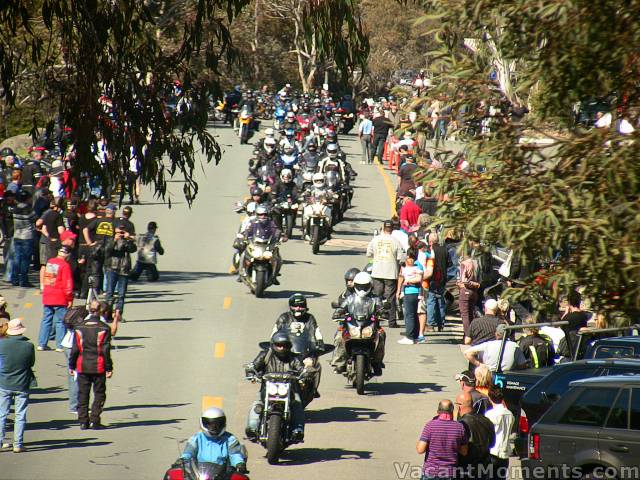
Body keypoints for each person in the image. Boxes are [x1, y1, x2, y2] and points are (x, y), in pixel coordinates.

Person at [245, 330, 306, 441]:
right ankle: (252, 428)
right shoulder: (265, 355)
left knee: (297, 405)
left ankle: (297, 429)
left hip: (289, 389)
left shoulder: (294, 358)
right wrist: (251, 371)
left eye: (285, 345)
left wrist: (306, 374)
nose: (282, 348)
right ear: (273, 345)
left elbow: (302, 369)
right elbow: (254, 365)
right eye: (279, 345)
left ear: (289, 346)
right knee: (257, 404)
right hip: (267, 389)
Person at [331, 272, 386, 375]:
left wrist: (383, 313)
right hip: (353, 325)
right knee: (339, 336)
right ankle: (339, 363)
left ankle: (377, 362)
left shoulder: (375, 298)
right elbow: (341, 308)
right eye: (360, 286)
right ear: (355, 285)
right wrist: (337, 313)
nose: (362, 289)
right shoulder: (350, 298)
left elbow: (381, 308)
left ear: (370, 285)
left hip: (369, 325)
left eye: (365, 286)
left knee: (381, 335)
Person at [68, 303, 113, 429]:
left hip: (82, 365)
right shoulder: (104, 328)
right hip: (98, 365)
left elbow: (75, 349)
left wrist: (71, 365)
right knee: (99, 393)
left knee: (83, 393)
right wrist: (109, 367)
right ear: (100, 311)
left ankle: (83, 421)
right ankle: (95, 419)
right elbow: (105, 350)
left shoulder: (79, 327)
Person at [272, 293, 324, 398]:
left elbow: (316, 331)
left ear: (305, 306)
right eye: (295, 305)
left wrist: (319, 342)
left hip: (304, 352)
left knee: (313, 365)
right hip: (287, 350)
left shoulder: (310, 318)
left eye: (301, 305)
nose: (298, 308)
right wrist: (272, 340)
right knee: (269, 357)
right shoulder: (284, 317)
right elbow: (275, 331)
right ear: (290, 306)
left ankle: (311, 388)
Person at [174, 407, 247, 473]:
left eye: (217, 424)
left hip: (223, 475)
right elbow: (188, 452)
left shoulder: (230, 439)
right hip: (198, 474)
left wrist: (239, 463)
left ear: (223, 423)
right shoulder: (196, 438)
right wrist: (182, 459)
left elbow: (235, 454)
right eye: (210, 424)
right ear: (203, 423)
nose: (214, 427)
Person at [0, 318, 36, 453]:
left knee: (2, 413)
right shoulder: (28, 346)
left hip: (4, 382)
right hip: (22, 383)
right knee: (20, 414)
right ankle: (18, 444)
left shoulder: (1, 345)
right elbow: (31, 363)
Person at [417, 399, 469, 480]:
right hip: (450, 473)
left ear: (438, 411)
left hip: (431, 472)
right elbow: (464, 452)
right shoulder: (459, 427)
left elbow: (420, 450)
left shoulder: (430, 425)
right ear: (452, 411)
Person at [366, 220, 404, 328]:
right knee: (390, 297)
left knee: (376, 296)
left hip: (377, 271)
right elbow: (401, 258)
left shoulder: (375, 239)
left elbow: (369, 253)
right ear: (392, 229)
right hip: (391, 272)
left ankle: (375, 320)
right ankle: (391, 321)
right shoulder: (396, 241)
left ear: (383, 227)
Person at [38, 246, 74, 351]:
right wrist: (70, 298)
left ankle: (41, 343)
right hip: (60, 297)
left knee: (46, 320)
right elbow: (68, 284)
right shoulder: (65, 266)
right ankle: (60, 345)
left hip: (48, 294)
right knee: (60, 321)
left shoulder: (50, 262)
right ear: (67, 255)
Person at [239, 204, 284, 284]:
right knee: (244, 254)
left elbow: (277, 231)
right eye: (260, 214)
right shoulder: (252, 222)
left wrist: (279, 237)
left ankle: (274, 275)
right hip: (255, 244)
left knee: (277, 257)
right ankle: (242, 272)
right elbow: (247, 230)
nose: (263, 216)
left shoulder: (271, 223)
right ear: (257, 214)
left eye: (264, 214)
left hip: (267, 245)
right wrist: (244, 236)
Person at [456, 391, 495, 479]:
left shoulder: (461, 425)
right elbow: (492, 443)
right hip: (484, 468)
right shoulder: (486, 421)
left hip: (466, 469)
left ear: (459, 406)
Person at [104, 222, 137, 322]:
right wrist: (115, 240)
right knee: (110, 293)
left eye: (123, 230)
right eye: (119, 230)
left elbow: (133, 249)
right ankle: (108, 314)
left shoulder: (126, 240)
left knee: (121, 294)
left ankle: (119, 314)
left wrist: (129, 240)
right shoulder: (109, 238)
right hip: (112, 268)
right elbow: (106, 251)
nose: (121, 232)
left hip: (124, 268)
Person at [484, 386, 514, 480]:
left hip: (493, 453)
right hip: (505, 454)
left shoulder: (490, 414)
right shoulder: (510, 414)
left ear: (490, 398)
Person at [36, 197, 65, 289]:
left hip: (44, 240)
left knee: (44, 264)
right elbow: (38, 223)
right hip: (52, 242)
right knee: (53, 264)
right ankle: (51, 284)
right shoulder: (56, 215)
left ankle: (42, 285)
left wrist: (46, 234)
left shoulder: (47, 213)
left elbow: (42, 227)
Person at [397, 248, 424, 345]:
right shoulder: (418, 265)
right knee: (414, 314)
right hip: (416, 292)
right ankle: (415, 336)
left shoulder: (409, 265)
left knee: (409, 315)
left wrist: (399, 290)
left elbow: (402, 277)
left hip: (410, 291)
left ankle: (409, 336)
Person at [424, 232, 450, 332]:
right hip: (442, 279)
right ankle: (441, 324)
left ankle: (430, 324)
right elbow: (449, 264)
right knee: (441, 301)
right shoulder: (445, 249)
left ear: (430, 241)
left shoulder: (430, 250)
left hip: (432, 279)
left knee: (431, 301)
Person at [10, 190, 36, 287]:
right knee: (25, 259)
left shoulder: (15, 208)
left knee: (17, 257)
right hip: (27, 236)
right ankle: (24, 280)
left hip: (17, 235)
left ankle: (14, 278)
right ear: (27, 199)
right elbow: (35, 219)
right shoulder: (28, 209)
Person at [457, 255, 480, 338]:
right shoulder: (476, 262)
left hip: (466, 290)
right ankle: (472, 334)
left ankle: (468, 336)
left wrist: (461, 284)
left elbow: (464, 280)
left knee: (465, 314)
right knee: (471, 313)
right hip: (474, 292)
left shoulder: (464, 264)